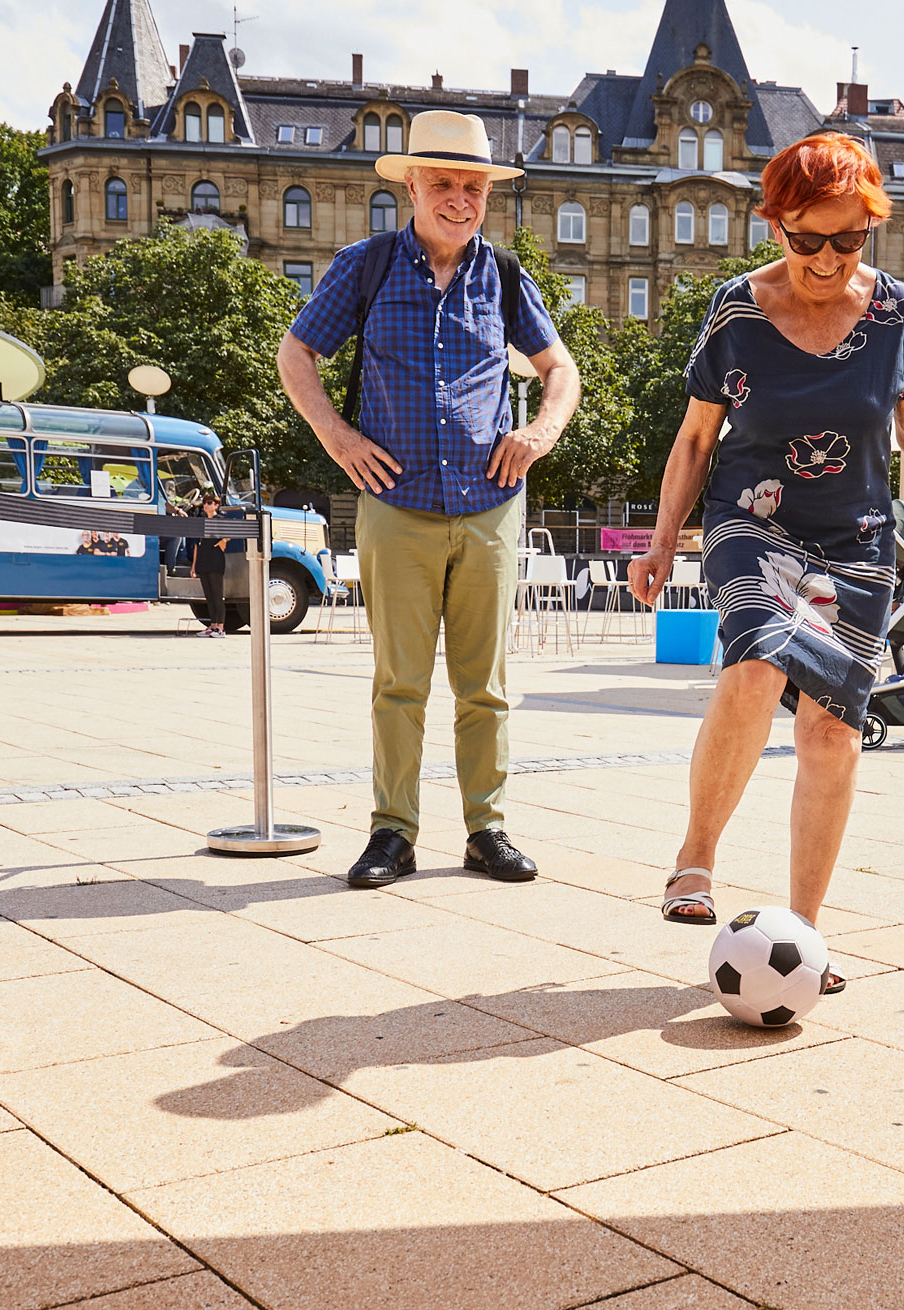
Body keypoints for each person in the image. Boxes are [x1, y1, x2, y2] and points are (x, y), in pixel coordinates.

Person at [629, 132, 904, 986]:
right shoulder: (737, 311)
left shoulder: (894, 312)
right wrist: (664, 537)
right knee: (753, 667)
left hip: (855, 540)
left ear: (871, 228)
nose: (826, 257)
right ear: (775, 224)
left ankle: (804, 937)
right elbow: (695, 440)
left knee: (831, 735)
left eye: (847, 238)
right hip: (752, 521)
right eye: (806, 238)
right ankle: (696, 855)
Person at [277, 109, 583, 889]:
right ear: (412, 183)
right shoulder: (366, 264)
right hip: (398, 502)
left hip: (489, 504)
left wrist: (541, 433)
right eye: (442, 181)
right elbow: (297, 352)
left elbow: (561, 371)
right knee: (399, 683)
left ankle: (487, 830)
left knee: (486, 686)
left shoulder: (505, 275)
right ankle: (392, 833)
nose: (458, 198)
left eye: (472, 185)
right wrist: (339, 440)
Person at [190, 493, 230, 638]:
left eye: (209, 503)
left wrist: (223, 541)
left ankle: (220, 627)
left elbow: (229, 535)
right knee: (209, 596)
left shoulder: (220, 520)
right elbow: (196, 545)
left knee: (217, 595)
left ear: (216, 505)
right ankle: (212, 626)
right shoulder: (201, 521)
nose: (206, 505)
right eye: (205, 503)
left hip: (216, 562)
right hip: (203, 561)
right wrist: (193, 567)